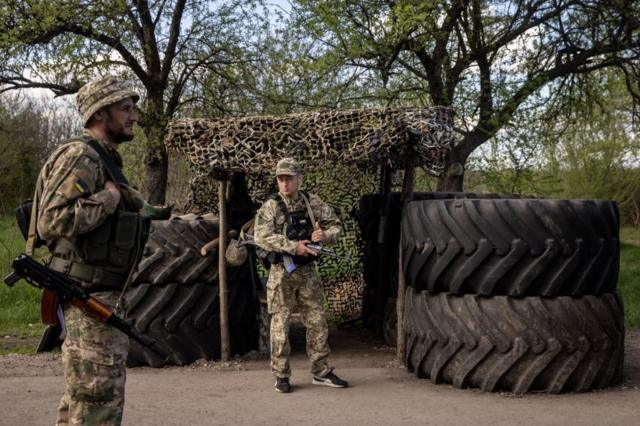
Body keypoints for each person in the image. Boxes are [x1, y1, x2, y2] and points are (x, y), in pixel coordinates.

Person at [35, 76, 147, 425]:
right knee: (97, 408)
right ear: (100, 113)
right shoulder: (83, 155)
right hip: (88, 300)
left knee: (84, 406)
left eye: (134, 109)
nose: (134, 117)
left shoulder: (103, 159)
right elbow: (50, 221)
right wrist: (109, 198)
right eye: (125, 109)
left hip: (97, 300)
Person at [253, 157, 349, 393]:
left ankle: (321, 371)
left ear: (299, 178)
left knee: (317, 319)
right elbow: (261, 236)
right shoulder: (271, 207)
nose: (284, 183)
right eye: (281, 179)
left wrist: (324, 235)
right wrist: (293, 246)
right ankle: (281, 374)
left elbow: (337, 225)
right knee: (280, 324)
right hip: (281, 272)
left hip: (306, 271)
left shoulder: (311, 202)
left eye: (289, 178)